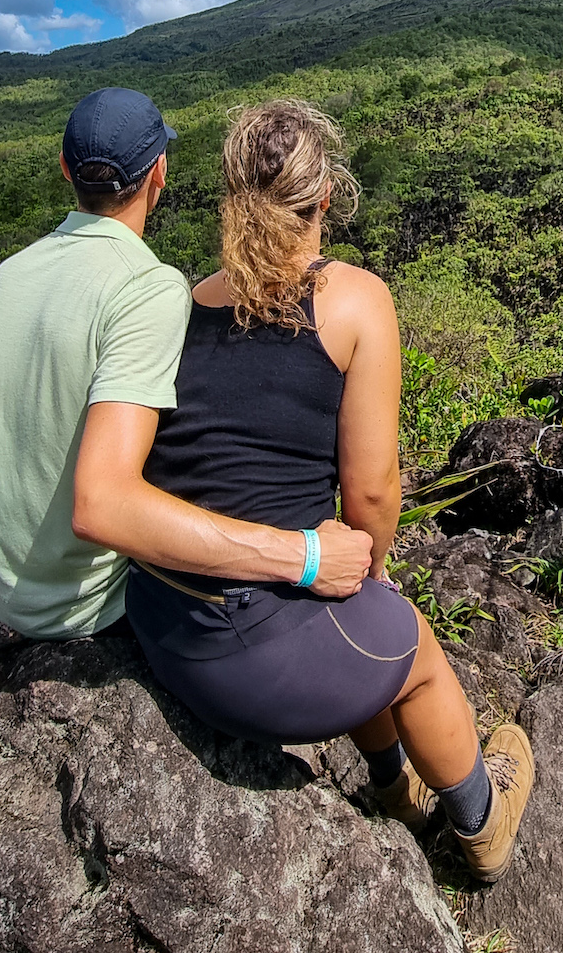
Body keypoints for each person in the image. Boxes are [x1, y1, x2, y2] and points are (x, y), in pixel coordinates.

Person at [123, 99, 534, 882]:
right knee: (410, 645)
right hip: (248, 651)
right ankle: (482, 826)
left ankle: (395, 791)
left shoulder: (182, 305)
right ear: (323, 200)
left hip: (165, 619)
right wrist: (370, 564)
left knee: (353, 614)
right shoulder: (351, 300)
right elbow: (373, 494)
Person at [0, 86, 372, 643]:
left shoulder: (7, 275)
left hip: (6, 595)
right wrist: (304, 556)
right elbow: (103, 504)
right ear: (160, 172)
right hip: (97, 608)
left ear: (65, 168)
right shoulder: (147, 286)